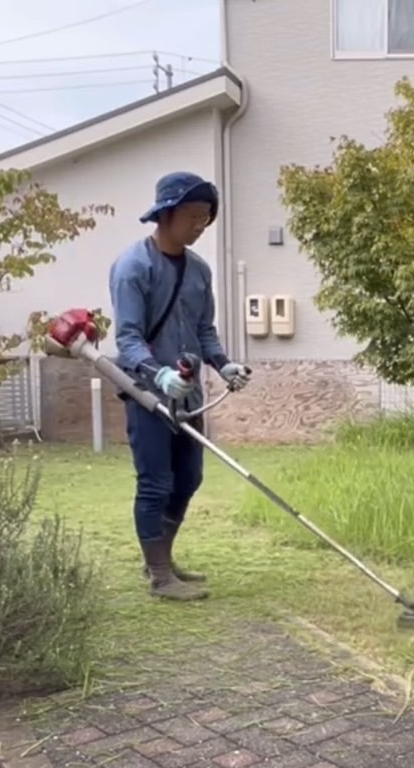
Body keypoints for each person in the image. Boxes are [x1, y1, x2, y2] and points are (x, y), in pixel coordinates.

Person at [110, 171, 251, 601]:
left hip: (188, 397)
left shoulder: (199, 271)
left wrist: (225, 366)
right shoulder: (134, 266)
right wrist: (159, 374)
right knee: (155, 482)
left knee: (188, 478)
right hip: (148, 394)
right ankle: (158, 576)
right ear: (166, 213)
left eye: (206, 218)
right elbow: (128, 338)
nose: (199, 226)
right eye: (192, 216)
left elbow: (204, 330)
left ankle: (163, 559)